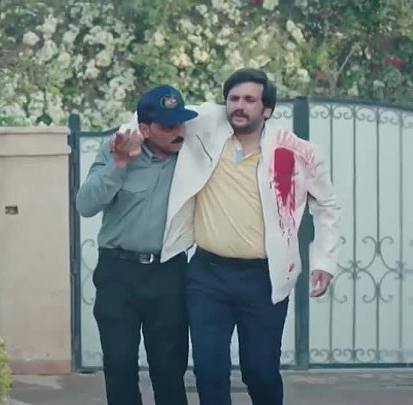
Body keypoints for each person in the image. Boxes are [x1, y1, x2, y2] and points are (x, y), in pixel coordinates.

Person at [116, 68, 341, 405]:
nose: (239, 105)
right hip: (207, 276)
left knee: (260, 371)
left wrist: (324, 260)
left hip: (264, 278)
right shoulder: (206, 124)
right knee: (209, 370)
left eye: (249, 100)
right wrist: (125, 136)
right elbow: (148, 115)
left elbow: (327, 206)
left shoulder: (295, 151)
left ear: (267, 109)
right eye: (233, 98)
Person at [75, 84, 199, 405]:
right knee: (119, 365)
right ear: (144, 129)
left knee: (169, 369)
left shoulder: (193, 158)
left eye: (180, 122)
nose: (178, 131)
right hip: (118, 273)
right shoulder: (115, 149)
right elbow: (85, 205)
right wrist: (119, 161)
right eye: (167, 126)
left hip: (168, 273)